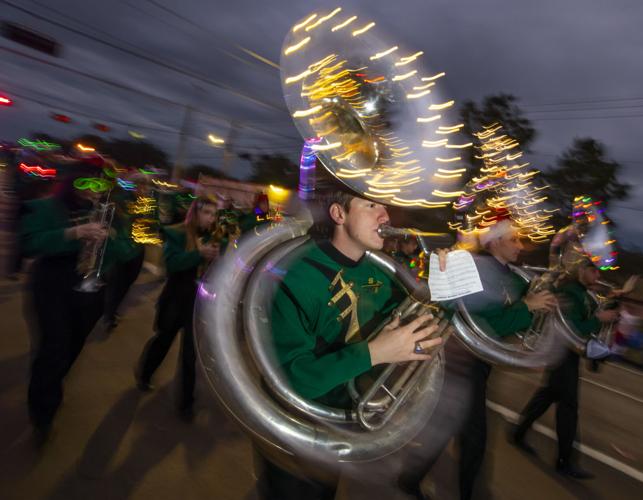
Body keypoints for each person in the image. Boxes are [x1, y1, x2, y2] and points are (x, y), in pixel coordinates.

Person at [255, 184, 446, 500]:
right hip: (293, 428)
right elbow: (290, 380)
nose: (386, 215)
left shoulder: (383, 274)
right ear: (338, 213)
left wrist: (445, 287)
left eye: (384, 206)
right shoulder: (297, 275)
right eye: (371, 206)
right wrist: (375, 352)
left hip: (340, 423)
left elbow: (425, 327)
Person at [400, 219, 557, 500]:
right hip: (461, 360)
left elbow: (509, 322)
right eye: (514, 240)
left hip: (478, 363)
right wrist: (525, 307)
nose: (521, 246)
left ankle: (410, 477)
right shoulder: (477, 270)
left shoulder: (510, 276)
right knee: (474, 437)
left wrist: (538, 308)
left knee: (444, 426)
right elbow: (478, 324)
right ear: (494, 242)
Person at [512, 250, 621, 479]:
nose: (596, 275)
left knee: (549, 395)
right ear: (581, 270)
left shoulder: (581, 292)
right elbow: (572, 328)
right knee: (568, 407)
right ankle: (564, 461)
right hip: (561, 352)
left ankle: (518, 433)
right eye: (592, 270)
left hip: (564, 354)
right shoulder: (571, 292)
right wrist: (599, 319)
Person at [20, 163, 108, 444]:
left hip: (85, 285)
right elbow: (30, 244)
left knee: (73, 344)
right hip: (51, 283)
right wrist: (74, 233)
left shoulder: (102, 212)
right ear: (72, 182)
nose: (91, 191)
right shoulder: (45, 207)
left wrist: (113, 240)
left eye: (97, 186)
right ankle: (42, 415)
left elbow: (124, 250)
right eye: (85, 184)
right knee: (54, 345)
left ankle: (51, 383)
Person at [135, 197, 220, 418]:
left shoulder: (213, 236)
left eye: (213, 214)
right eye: (207, 213)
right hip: (175, 299)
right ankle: (144, 373)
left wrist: (216, 258)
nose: (211, 218)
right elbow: (171, 264)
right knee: (163, 341)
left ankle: (186, 404)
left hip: (197, 303)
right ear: (196, 213)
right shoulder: (177, 233)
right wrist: (198, 254)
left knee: (190, 354)